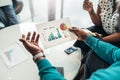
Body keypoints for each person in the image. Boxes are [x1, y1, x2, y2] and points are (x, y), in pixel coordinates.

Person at [73, 0, 120, 79]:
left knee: (94, 53)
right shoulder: (103, 1)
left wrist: (101, 39)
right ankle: (79, 63)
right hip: (104, 31)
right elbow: (98, 23)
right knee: (82, 33)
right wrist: (91, 11)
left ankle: (81, 72)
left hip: (117, 38)